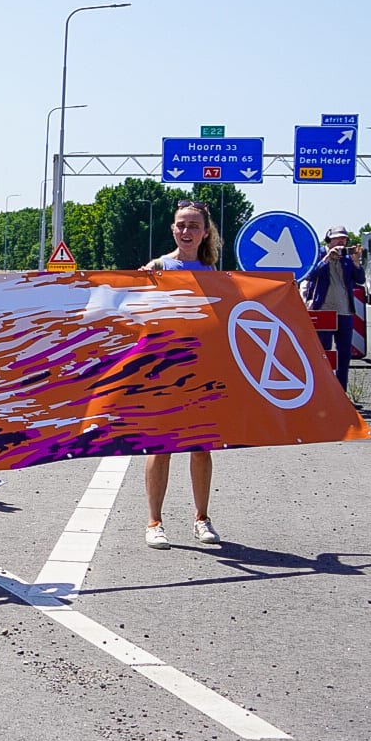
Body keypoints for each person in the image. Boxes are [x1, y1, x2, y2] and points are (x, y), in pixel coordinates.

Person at [139, 200, 222, 548]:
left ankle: (202, 519)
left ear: (205, 232)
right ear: (173, 229)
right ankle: (154, 522)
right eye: (181, 225)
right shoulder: (157, 266)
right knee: (161, 447)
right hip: (163, 368)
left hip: (203, 370)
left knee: (201, 448)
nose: (186, 231)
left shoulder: (216, 273)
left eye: (193, 226)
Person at [301, 225, 364, 396]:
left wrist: (357, 261)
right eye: (337, 238)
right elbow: (309, 275)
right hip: (323, 310)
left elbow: (360, 280)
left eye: (343, 238)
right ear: (329, 239)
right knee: (324, 352)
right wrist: (327, 258)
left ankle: (341, 393)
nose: (341, 241)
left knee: (344, 354)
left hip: (344, 311)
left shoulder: (347, 259)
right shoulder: (319, 254)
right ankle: (323, 392)